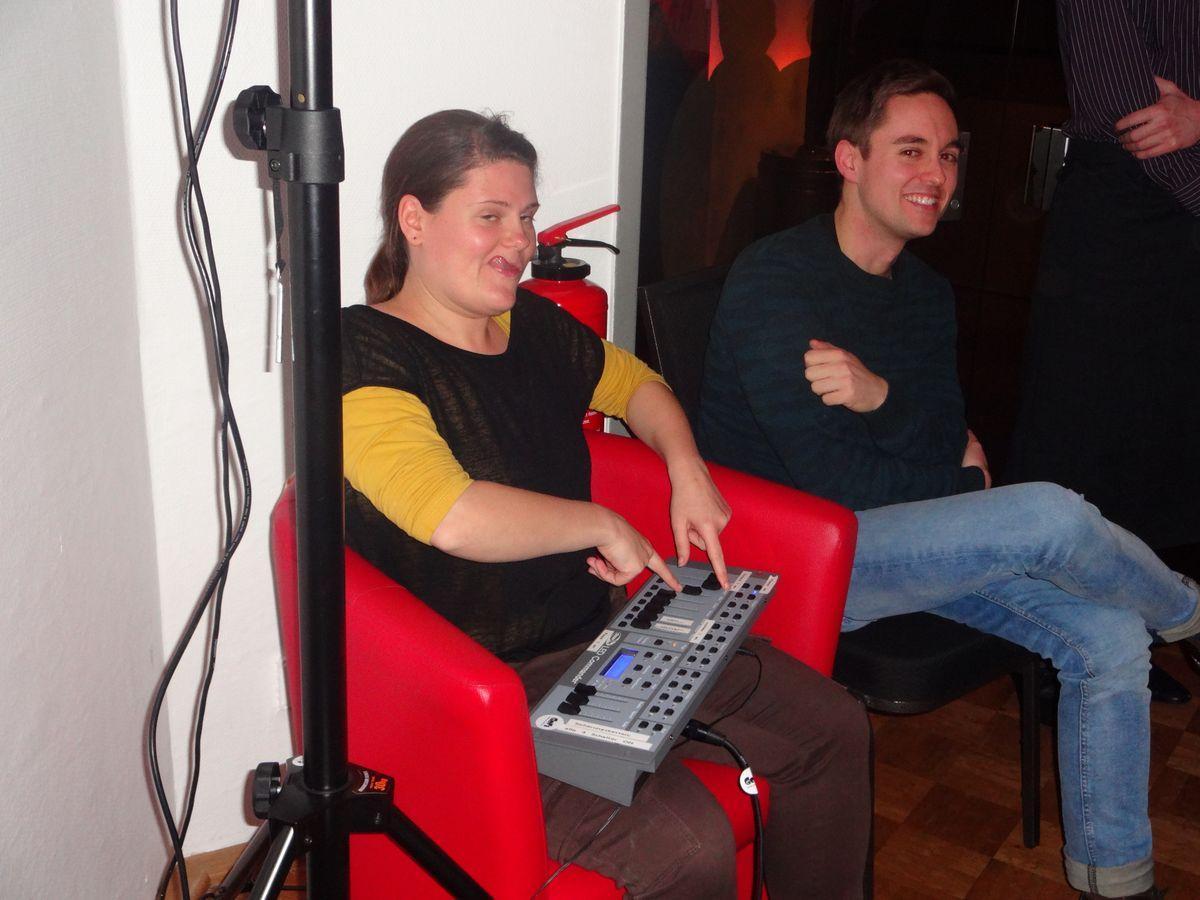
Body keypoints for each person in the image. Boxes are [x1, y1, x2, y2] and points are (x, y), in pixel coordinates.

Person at [698, 60, 1200, 900]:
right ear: (850, 159)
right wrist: (957, 485)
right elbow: (835, 479)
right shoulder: (775, 282)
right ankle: (1184, 609)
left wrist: (880, 398)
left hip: (896, 542)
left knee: (1111, 636)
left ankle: (1117, 879)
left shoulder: (926, 294)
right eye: (910, 150)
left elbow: (943, 430)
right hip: (794, 558)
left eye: (949, 154)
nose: (937, 173)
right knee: (1047, 515)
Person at [340, 109, 871, 898]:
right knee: (688, 844)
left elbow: (636, 386)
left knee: (834, 727)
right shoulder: (361, 351)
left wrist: (687, 467)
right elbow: (451, 516)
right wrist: (602, 522)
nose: (519, 241)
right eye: (490, 217)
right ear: (413, 219)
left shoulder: (530, 325)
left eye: (526, 217)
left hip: (604, 639)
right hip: (480, 689)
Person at [1008, 0, 1200, 552]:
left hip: (1176, 211)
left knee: (1175, 448)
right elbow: (1129, 115)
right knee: (1084, 442)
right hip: (1121, 216)